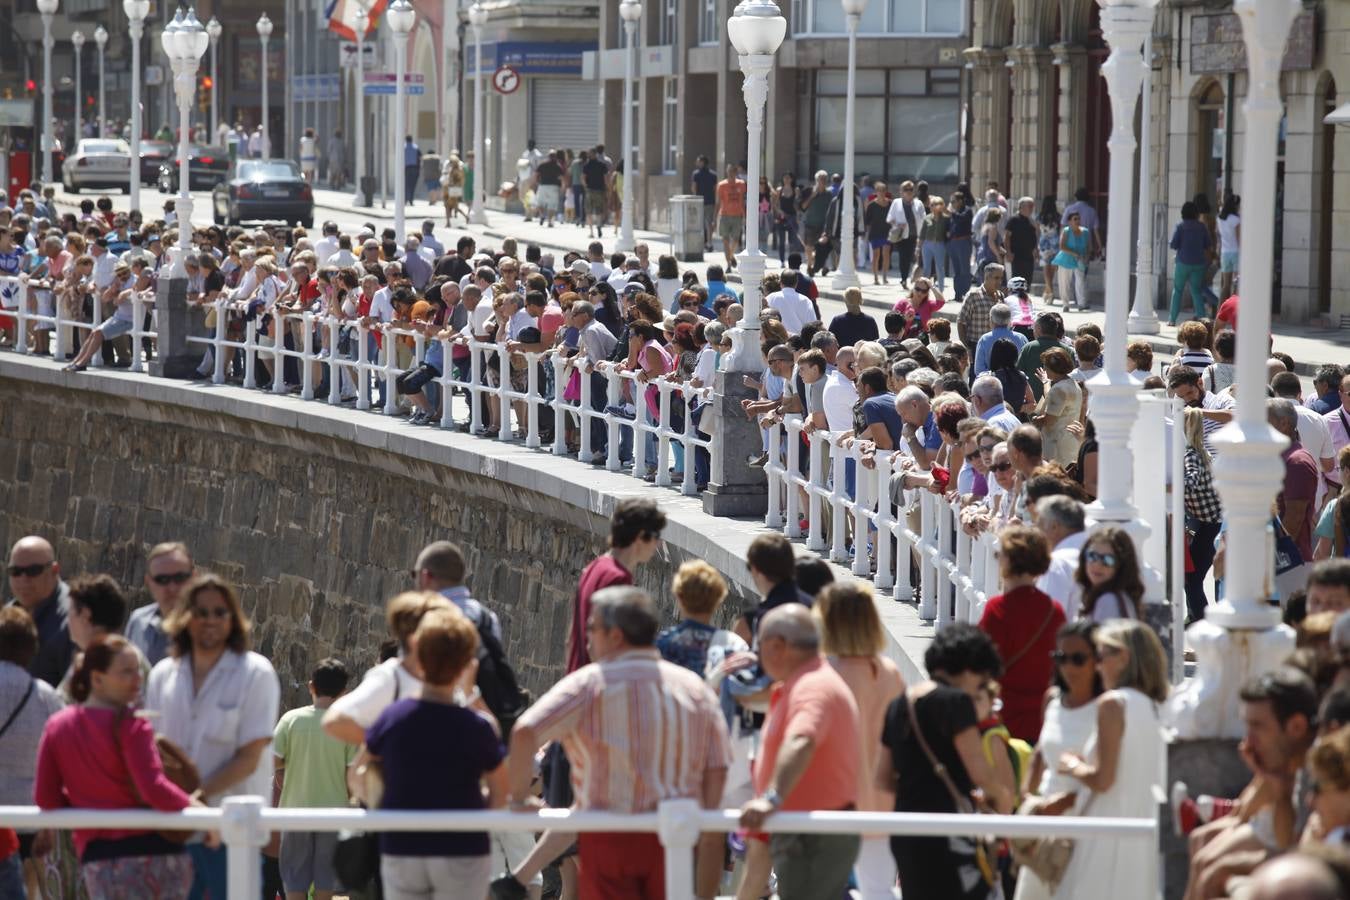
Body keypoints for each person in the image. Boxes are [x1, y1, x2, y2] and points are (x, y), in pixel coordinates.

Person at [506, 587, 730, 899]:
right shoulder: (695, 691)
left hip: (609, 840)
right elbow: (718, 771)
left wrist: (518, 799)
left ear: (614, 636)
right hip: (677, 839)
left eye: (591, 629)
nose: (586, 639)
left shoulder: (589, 685)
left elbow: (524, 733)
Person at [144, 573, 281, 900]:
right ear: (185, 616)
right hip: (173, 832)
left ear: (233, 618)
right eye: (201, 611)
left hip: (230, 833)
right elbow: (152, 748)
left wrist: (198, 797)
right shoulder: (164, 674)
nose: (210, 620)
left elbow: (249, 757)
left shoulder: (255, 673)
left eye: (220, 612)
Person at [35, 635, 199, 899]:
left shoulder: (57, 727)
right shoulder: (132, 725)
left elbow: (46, 798)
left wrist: (87, 799)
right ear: (97, 679)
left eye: (137, 670)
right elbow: (153, 788)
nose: (137, 678)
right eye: (126, 672)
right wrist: (202, 814)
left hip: (99, 858)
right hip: (155, 853)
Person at [366, 609, 507, 900]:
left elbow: (359, 773)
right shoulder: (479, 727)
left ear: (417, 655)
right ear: (468, 663)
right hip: (462, 846)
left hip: (401, 843)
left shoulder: (392, 718)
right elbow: (500, 792)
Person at [881, 623, 1014, 900]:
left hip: (905, 831)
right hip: (948, 832)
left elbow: (881, 778)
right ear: (969, 669)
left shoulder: (897, 706)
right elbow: (981, 774)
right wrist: (1004, 805)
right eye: (980, 681)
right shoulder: (955, 703)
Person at [737, 604, 862, 900]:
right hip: (799, 830)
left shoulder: (812, 688)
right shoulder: (810, 682)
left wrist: (771, 798)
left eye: (760, 647)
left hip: (808, 837)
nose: (758, 656)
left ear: (777, 646)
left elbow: (802, 740)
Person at [1052, 620, 1169, 900]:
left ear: (1124, 658)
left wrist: (1072, 765)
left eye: (1102, 656)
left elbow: (1104, 779)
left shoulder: (1113, 704)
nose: (1098, 665)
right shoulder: (1158, 705)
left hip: (1105, 827)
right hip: (1143, 829)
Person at [813, 582, 904, 899]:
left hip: (831, 801)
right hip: (881, 801)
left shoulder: (823, 674)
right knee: (879, 889)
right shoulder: (890, 672)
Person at [1012, 620, 1104, 900]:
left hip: (1087, 826)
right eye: (1061, 658)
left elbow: (1110, 773)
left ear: (1098, 660)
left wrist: (1065, 802)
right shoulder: (1052, 699)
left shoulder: (1108, 709)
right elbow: (1041, 748)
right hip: (1044, 824)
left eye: (1078, 659)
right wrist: (1027, 793)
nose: (1069, 667)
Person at [273, 658, 356, 900]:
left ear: (311, 686)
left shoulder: (291, 720)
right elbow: (351, 775)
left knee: (294, 880)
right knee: (325, 881)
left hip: (295, 812)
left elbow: (272, 760)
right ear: (344, 693)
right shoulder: (346, 726)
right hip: (333, 813)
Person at [978, 526, 1065, 743]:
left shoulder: (997, 609)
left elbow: (981, 663)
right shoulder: (1055, 610)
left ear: (1009, 560)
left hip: (1006, 716)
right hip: (1044, 718)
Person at [567, 498, 666, 673]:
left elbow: (571, 638)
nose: (658, 544)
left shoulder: (594, 567)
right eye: (656, 536)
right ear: (640, 536)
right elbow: (601, 647)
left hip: (579, 677)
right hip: (600, 687)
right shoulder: (618, 579)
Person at [6, 536, 73, 687]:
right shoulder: (9, 613)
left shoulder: (72, 621)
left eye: (33, 571)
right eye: (15, 571)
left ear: (54, 570)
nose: (23, 579)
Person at [1182, 408, 1224, 622]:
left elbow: (1190, 483)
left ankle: (1200, 620)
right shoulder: (1203, 452)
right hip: (1214, 523)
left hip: (1209, 527)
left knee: (1191, 578)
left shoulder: (1190, 454)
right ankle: (1197, 617)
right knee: (1193, 577)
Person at [125, 542, 195, 666]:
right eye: (162, 580)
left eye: (180, 578)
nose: (172, 588)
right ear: (148, 582)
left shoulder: (210, 626)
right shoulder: (138, 621)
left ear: (194, 577)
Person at [1074, 527, 1145, 621]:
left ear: (1122, 566)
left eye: (1108, 560)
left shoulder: (1108, 601)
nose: (1097, 564)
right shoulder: (1118, 597)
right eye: (1092, 556)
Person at [1033, 347, 1082, 466]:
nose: (1044, 369)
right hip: (1070, 442)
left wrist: (1035, 421)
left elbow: (1049, 421)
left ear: (1053, 368)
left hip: (1056, 446)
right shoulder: (1073, 384)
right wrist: (1046, 382)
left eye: (1046, 366)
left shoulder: (1059, 389)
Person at [1169, 201, 1214, 326]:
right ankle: (1203, 320)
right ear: (1196, 213)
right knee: (1196, 291)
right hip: (1199, 264)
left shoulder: (1180, 226)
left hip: (1182, 263)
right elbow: (1208, 245)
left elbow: (1173, 244)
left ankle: (1172, 319)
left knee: (1178, 290)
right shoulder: (1202, 227)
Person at [1052, 212, 1089, 311]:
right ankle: (1065, 304)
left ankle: (1082, 303)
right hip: (1066, 259)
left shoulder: (1085, 232)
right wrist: (1075, 254)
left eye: (1078, 219)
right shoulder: (1066, 231)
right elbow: (1062, 246)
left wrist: (1086, 257)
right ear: (1070, 221)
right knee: (1064, 282)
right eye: (1075, 219)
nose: (1077, 221)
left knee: (1080, 281)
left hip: (1080, 259)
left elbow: (1088, 246)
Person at [715, 163, 747, 271]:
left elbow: (742, 200)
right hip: (724, 214)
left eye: (733, 172)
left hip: (737, 215)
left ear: (736, 172)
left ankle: (731, 255)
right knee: (725, 240)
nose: (731, 174)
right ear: (726, 172)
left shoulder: (741, 184)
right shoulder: (721, 185)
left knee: (736, 239)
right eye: (729, 172)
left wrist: (745, 215)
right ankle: (728, 264)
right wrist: (715, 218)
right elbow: (718, 202)